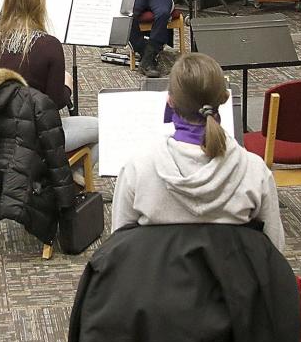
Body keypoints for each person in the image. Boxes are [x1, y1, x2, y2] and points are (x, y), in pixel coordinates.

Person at [111, 53, 284, 250]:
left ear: (170, 101)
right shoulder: (254, 171)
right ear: (223, 99)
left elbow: (119, 249)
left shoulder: (138, 169)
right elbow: (274, 248)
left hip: (161, 280)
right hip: (233, 281)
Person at [0, 0, 99, 182]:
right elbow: (53, 103)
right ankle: (69, 173)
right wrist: (67, 86)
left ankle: (64, 173)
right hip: (35, 136)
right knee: (105, 128)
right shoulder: (49, 45)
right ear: (39, 4)